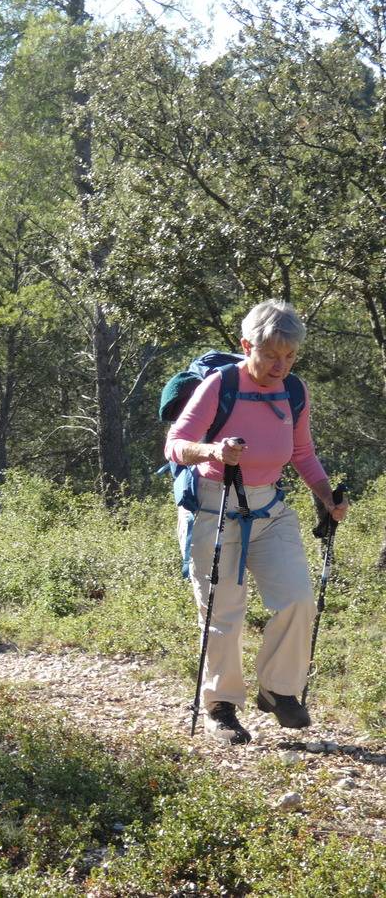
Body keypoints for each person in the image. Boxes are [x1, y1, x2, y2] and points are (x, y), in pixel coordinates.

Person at [165, 300, 349, 744]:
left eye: (289, 357)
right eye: (270, 354)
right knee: (223, 612)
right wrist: (212, 451)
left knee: (298, 598)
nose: (280, 365)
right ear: (248, 345)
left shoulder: (294, 391)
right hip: (214, 505)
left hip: (270, 510)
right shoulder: (219, 385)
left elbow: (302, 453)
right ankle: (220, 707)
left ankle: (278, 691)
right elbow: (176, 444)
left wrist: (327, 496)